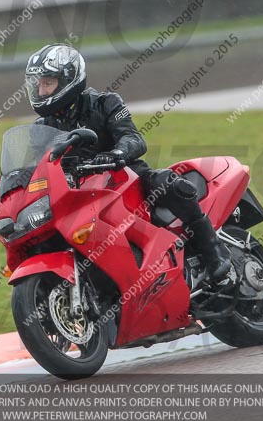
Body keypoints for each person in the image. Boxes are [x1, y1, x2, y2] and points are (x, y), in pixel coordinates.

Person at [24, 43, 232, 282]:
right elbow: (35, 168)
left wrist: (117, 154)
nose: (41, 92)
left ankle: (213, 249)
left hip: (124, 177)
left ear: (68, 79)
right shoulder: (40, 129)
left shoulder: (105, 103)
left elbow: (133, 137)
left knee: (166, 183)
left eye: (47, 83)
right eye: (38, 84)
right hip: (77, 194)